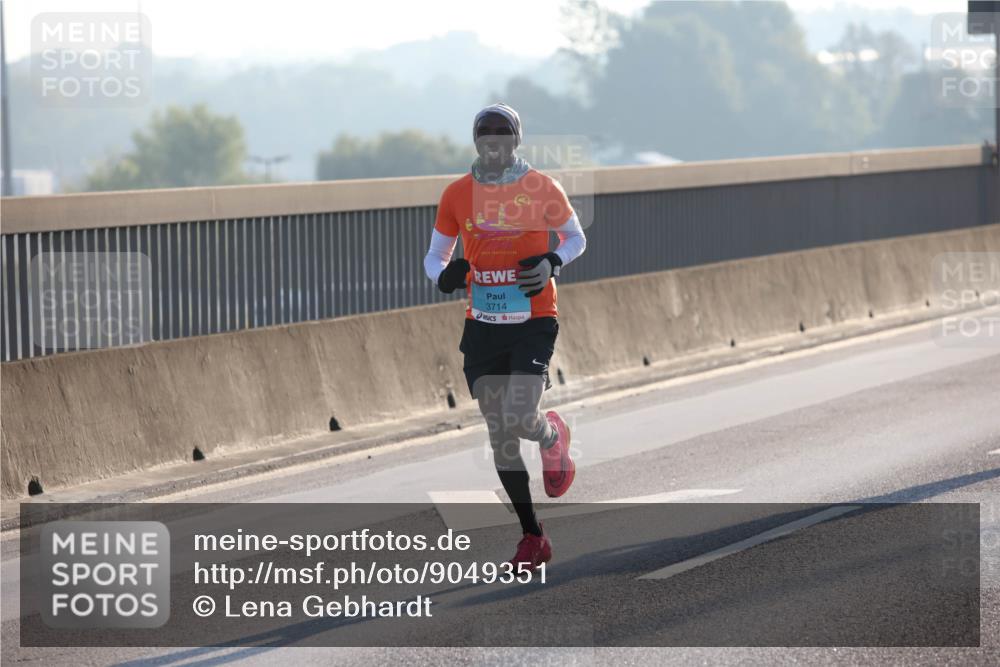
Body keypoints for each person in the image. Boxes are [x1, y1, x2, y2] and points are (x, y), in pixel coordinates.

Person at [423, 103, 587, 572]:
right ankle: (533, 537)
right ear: (476, 139)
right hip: (482, 326)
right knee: (500, 434)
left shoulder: (542, 187)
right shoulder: (457, 194)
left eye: (503, 131)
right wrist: (444, 275)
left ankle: (551, 434)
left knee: (518, 416)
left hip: (534, 320)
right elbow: (435, 256)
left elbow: (575, 238)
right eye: (485, 131)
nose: (493, 138)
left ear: (517, 139)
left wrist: (551, 262)